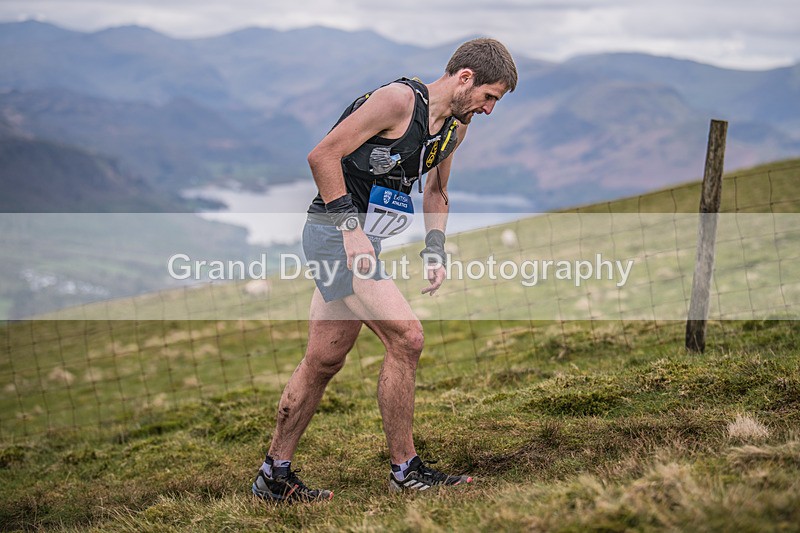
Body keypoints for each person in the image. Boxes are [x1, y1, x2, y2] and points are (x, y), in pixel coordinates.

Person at [252, 37, 518, 502]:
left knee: (323, 359)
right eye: (488, 96)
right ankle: (405, 470)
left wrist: (435, 248)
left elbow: (436, 191)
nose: (489, 109)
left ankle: (272, 476)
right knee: (407, 337)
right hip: (335, 235)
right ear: (465, 77)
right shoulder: (398, 101)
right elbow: (321, 156)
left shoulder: (455, 128)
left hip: (361, 241)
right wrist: (351, 231)